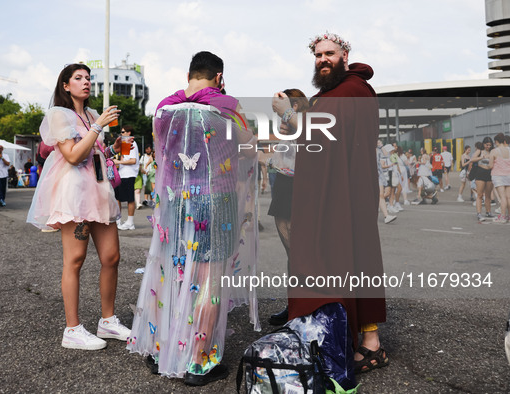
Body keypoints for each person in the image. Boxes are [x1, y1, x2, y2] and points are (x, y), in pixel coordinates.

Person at [127, 51, 259, 386]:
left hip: (175, 201)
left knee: (173, 273)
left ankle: (162, 351)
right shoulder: (226, 105)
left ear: (189, 75)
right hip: (215, 198)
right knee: (210, 280)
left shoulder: (163, 108)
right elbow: (247, 146)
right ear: (218, 76)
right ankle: (198, 360)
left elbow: (162, 154)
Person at [272, 32, 387, 375]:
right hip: (335, 192)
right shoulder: (332, 93)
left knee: (346, 258)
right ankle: (345, 338)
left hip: (345, 194)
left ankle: (370, 344)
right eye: (318, 55)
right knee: (341, 261)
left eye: (329, 53)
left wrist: (288, 115)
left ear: (344, 54)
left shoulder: (352, 90)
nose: (323, 59)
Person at [27, 63, 130, 351]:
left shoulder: (93, 114)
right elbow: (72, 155)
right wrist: (98, 128)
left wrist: (115, 146)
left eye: (88, 78)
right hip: (75, 193)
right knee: (75, 259)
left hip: (98, 190)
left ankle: (107, 321)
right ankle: (72, 329)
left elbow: (93, 153)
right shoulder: (59, 114)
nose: (86, 82)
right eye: (78, 78)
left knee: (111, 257)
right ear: (66, 85)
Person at [267, 88, 310, 326]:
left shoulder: (302, 121)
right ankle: (294, 304)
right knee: (291, 254)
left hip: (297, 187)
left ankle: (303, 307)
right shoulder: (290, 124)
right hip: (284, 186)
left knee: (298, 253)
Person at [113, 125, 140, 230]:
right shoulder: (125, 144)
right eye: (121, 132)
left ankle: (130, 222)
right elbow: (125, 160)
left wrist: (119, 162)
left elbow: (133, 160)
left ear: (129, 133)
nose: (122, 134)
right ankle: (118, 220)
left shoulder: (131, 142)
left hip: (129, 174)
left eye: (123, 132)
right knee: (117, 198)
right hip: (122, 174)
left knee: (129, 199)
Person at [487, 133, 510, 223]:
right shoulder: (508, 150)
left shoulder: (494, 151)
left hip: (498, 176)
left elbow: (490, 165)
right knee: (509, 197)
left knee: (502, 197)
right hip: (508, 175)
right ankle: (508, 216)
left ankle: (502, 217)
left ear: (496, 141)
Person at [470, 137, 494, 221]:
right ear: (484, 144)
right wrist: (481, 157)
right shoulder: (479, 151)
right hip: (480, 172)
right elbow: (472, 159)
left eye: (490, 145)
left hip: (489, 173)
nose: (488, 146)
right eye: (487, 145)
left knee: (488, 195)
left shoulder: (492, 152)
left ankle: (488, 212)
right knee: (480, 194)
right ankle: (479, 213)